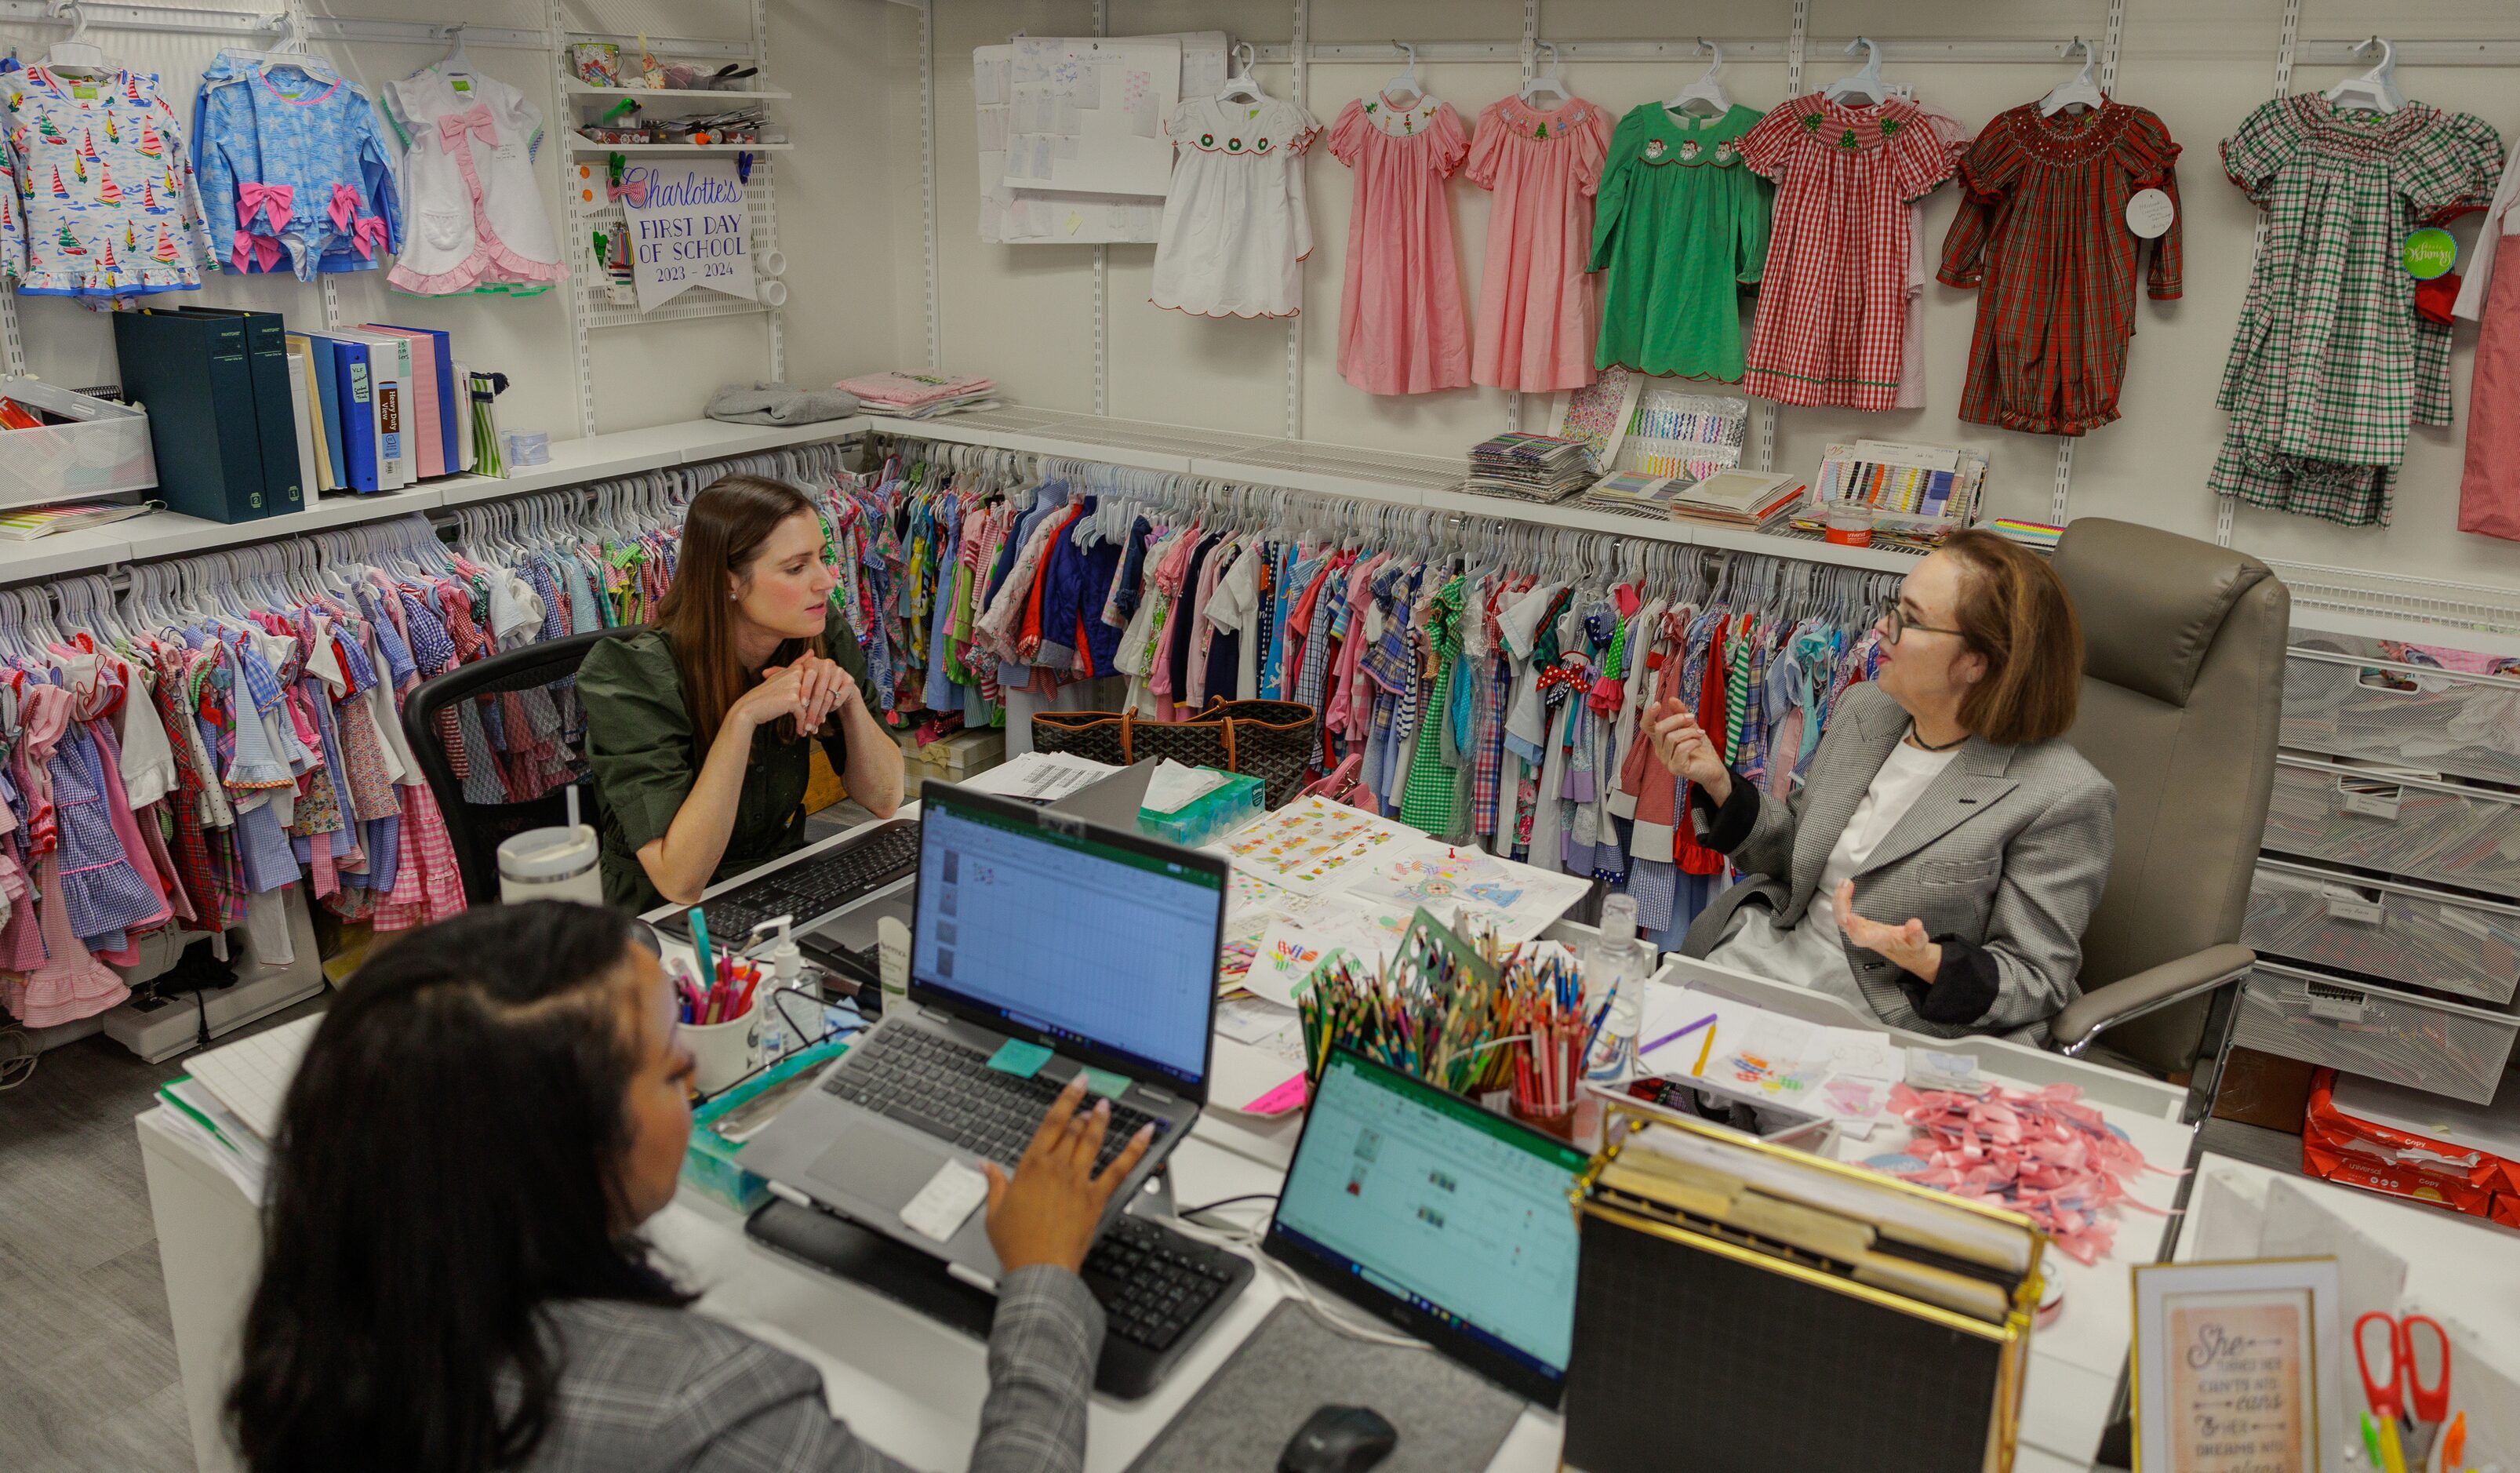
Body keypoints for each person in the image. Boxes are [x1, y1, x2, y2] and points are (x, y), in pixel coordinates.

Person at [228, 901, 1150, 1473]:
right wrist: (1042, 1286)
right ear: (561, 1151)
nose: (693, 1081)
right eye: (673, 1073)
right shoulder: (700, 1406)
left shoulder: (334, 1329)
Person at [1652, 529, 2115, 1042]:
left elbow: (2035, 979)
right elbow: (1796, 856)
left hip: (1896, 1012)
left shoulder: (2061, 796)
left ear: (1976, 662)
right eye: (1894, 606)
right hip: (1778, 957)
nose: (1879, 626)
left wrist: (1929, 962)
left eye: (1910, 619)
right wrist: (1718, 783)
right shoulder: (1865, 710)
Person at [580, 474, 904, 911]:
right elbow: (680, 881)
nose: (827, 580)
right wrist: (741, 720)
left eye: (822, 558)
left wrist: (847, 701)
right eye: (795, 567)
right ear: (728, 581)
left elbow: (885, 799)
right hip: (656, 919)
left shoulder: (818, 634)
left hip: (777, 886)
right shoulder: (631, 677)